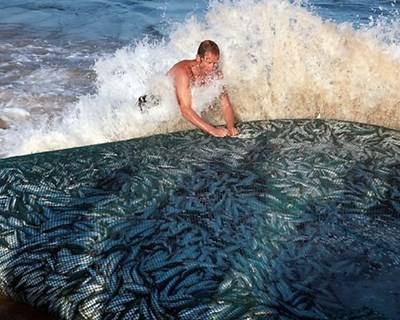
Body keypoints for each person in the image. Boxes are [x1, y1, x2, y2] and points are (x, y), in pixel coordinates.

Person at [137, 40, 239, 137]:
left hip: (177, 105)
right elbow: (185, 109)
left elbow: (225, 104)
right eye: (209, 63)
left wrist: (231, 126)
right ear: (199, 59)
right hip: (154, 103)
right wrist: (213, 130)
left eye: (215, 63)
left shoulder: (215, 73)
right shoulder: (184, 73)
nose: (213, 67)